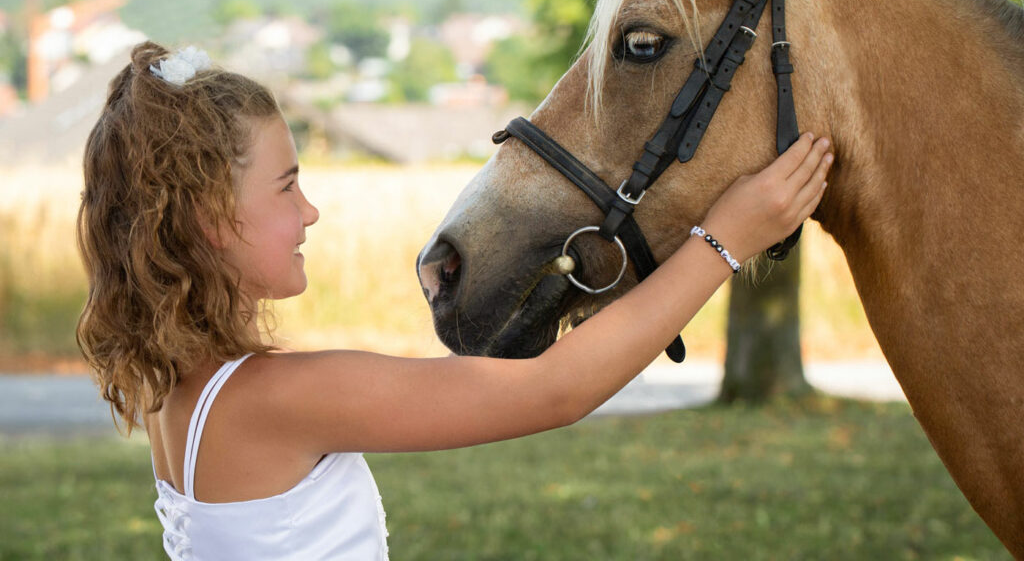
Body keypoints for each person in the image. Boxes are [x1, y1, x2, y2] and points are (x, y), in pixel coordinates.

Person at [76, 42, 832, 560]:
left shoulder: (177, 395)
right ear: (210, 217)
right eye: (286, 187)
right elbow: (555, 390)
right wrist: (725, 238)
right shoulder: (279, 397)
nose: (310, 212)